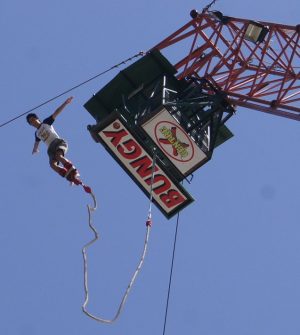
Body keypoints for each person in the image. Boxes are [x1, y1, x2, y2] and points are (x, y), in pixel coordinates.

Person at [26, 97, 81, 185]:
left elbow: (56, 113)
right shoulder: (36, 133)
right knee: (52, 165)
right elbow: (36, 143)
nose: (33, 122)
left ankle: (73, 170)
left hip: (58, 142)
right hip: (50, 149)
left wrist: (65, 103)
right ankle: (68, 175)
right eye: (31, 122)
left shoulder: (45, 123)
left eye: (33, 119)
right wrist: (35, 149)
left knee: (58, 156)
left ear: (38, 119)